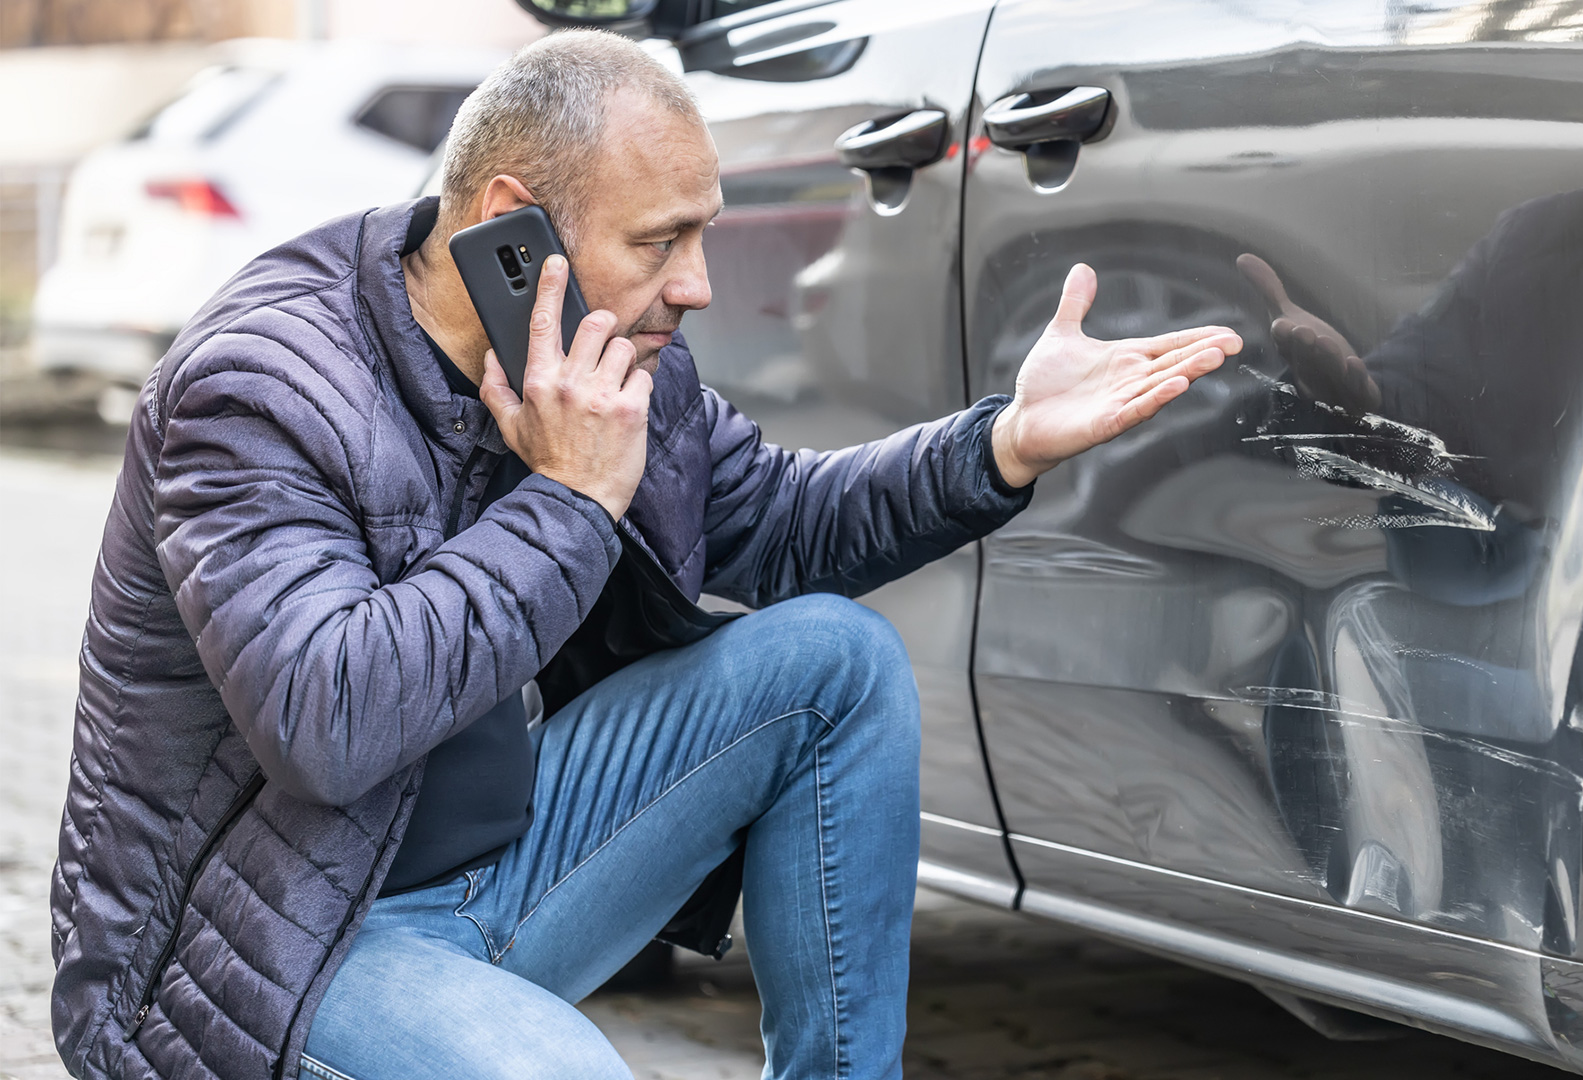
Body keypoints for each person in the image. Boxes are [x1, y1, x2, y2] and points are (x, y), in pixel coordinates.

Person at [49, 30, 1241, 1080]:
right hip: (268, 953)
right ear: (506, 225)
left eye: (703, 235)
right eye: (661, 240)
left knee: (831, 662)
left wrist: (1004, 447)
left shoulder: (605, 350)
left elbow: (780, 523)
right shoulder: (263, 387)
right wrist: (569, 497)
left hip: (493, 880)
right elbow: (328, 722)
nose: (699, 286)